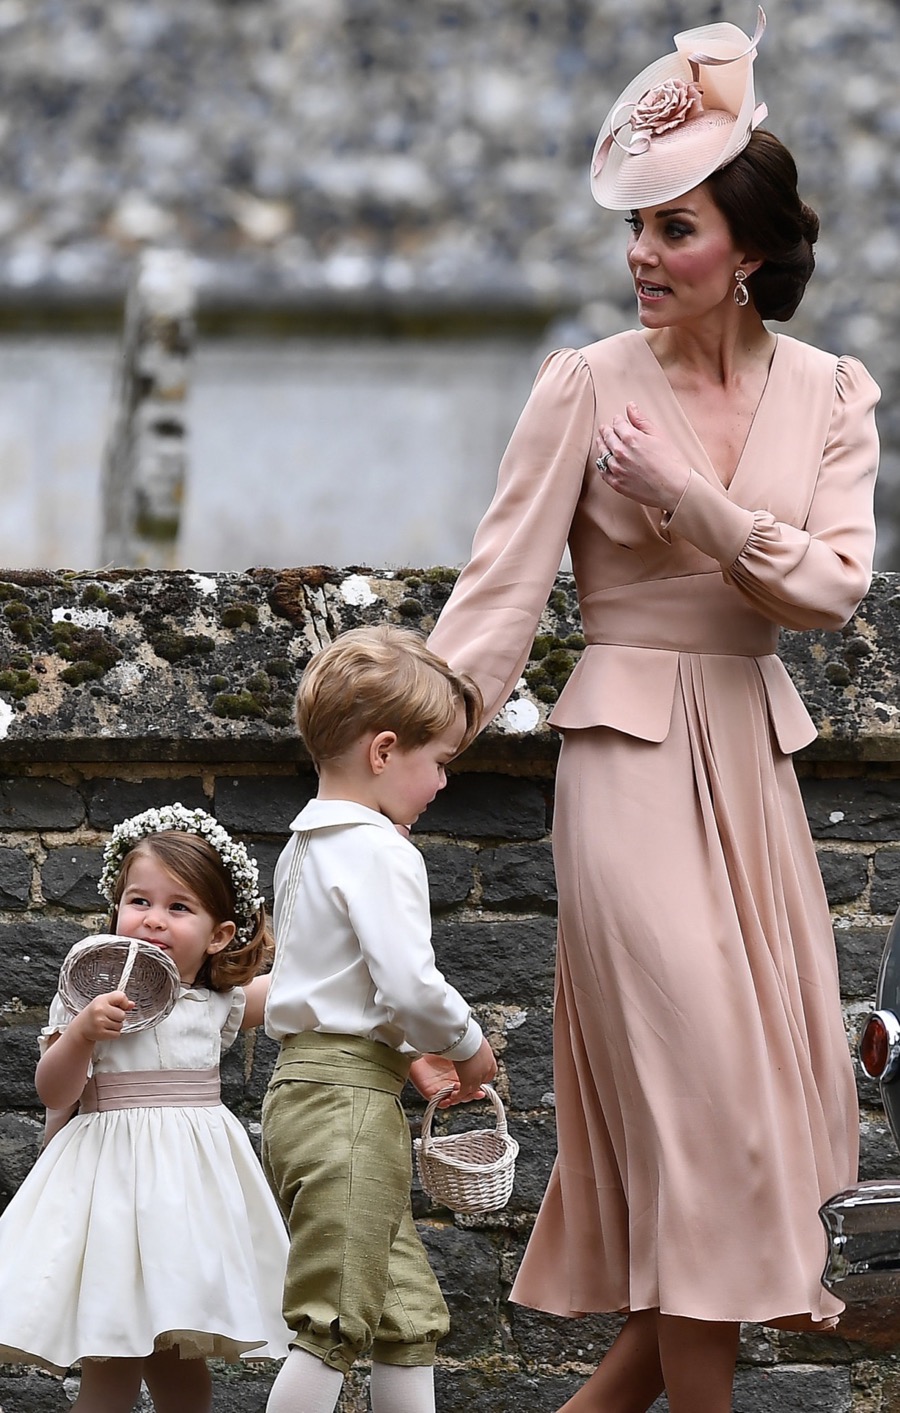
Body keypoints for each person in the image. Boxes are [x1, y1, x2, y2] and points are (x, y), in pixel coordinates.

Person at [427, 10, 880, 1413]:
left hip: (751, 757)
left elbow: (833, 591)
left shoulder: (833, 395)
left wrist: (690, 506)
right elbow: (496, 599)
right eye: (633, 230)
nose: (640, 257)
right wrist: (395, 752)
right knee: (699, 1111)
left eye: (673, 230)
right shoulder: (583, 384)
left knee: (752, 1139)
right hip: (624, 760)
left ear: (746, 250)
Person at [261, 624, 498, 1413]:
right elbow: (407, 981)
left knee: (403, 1315)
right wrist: (465, 1046)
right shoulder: (382, 848)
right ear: (384, 749)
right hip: (349, 1110)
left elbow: (341, 982)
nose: (440, 784)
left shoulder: (304, 845)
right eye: (438, 762)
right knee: (333, 1320)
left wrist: (406, 1055)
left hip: (306, 1090)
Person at [0, 804, 292, 1413]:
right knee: (114, 1351)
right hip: (109, 1188)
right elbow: (54, 1092)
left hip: (189, 1197)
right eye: (139, 901)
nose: (152, 921)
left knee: (178, 1356)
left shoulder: (218, 1002)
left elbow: (307, 994)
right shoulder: (87, 996)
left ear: (218, 935)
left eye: (178, 907)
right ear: (115, 911)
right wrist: (81, 1034)